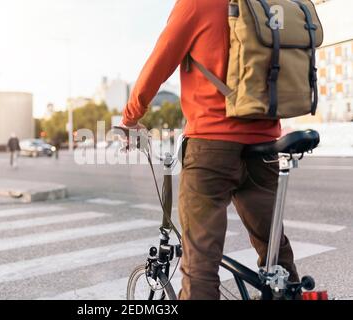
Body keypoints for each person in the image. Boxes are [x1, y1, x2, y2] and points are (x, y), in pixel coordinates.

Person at [120, 0, 299, 300]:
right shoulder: (268, 4)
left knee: (200, 264)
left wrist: (129, 118)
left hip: (211, 147)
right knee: (275, 252)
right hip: (265, 145)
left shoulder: (196, 3)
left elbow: (157, 65)